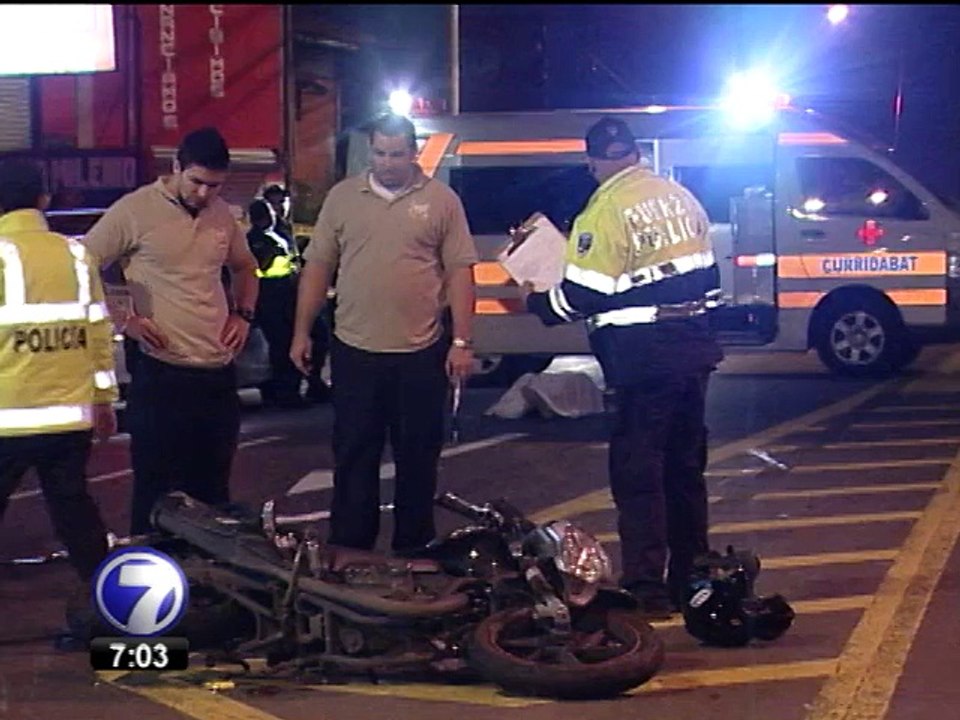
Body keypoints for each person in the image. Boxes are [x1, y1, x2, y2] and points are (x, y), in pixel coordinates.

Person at [523, 117, 724, 616]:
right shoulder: (680, 196)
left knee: (639, 473)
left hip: (643, 357)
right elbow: (710, 277)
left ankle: (647, 586)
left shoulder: (606, 208)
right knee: (684, 469)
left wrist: (539, 302)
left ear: (593, 161)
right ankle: (691, 576)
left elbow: (585, 293)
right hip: (693, 348)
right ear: (635, 152)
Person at [290, 113, 478, 554]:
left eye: (396, 154)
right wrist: (302, 332)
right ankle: (351, 550)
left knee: (418, 458)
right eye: (379, 153)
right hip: (357, 351)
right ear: (368, 151)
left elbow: (460, 272)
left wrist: (462, 342)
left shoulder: (441, 201)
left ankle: (414, 549)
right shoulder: (342, 199)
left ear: (413, 153)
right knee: (354, 456)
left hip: (420, 352)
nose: (387, 163)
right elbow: (318, 267)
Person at [83, 127, 260, 535]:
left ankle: (208, 586)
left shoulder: (222, 215)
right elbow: (83, 264)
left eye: (214, 185)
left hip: (216, 372)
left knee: (213, 491)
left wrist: (243, 314)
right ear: (176, 167)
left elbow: (245, 266)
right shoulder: (135, 210)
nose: (203, 193)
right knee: (156, 489)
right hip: (162, 371)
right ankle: (150, 583)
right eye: (196, 182)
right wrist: (124, 319)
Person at [0, 157, 118, 584]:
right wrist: (104, 399)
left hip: (5, 419)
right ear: (43, 199)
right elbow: (98, 331)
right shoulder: (75, 254)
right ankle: (111, 605)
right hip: (68, 418)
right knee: (75, 511)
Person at [246, 198, 306, 407]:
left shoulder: (282, 232)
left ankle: (293, 389)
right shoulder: (253, 240)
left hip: (288, 294)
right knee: (279, 347)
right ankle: (283, 393)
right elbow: (257, 267)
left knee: (293, 343)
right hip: (269, 297)